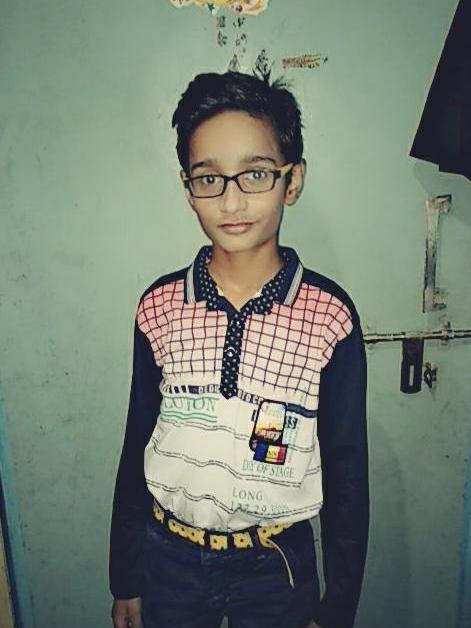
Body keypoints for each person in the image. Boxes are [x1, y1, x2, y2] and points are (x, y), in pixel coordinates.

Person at [109, 70, 369, 628]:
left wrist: (338, 609)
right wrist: (124, 577)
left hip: (276, 565)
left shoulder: (329, 317)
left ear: (292, 180)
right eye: (209, 178)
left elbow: (348, 473)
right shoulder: (159, 307)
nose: (231, 201)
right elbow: (136, 444)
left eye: (254, 174)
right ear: (188, 189)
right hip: (168, 558)